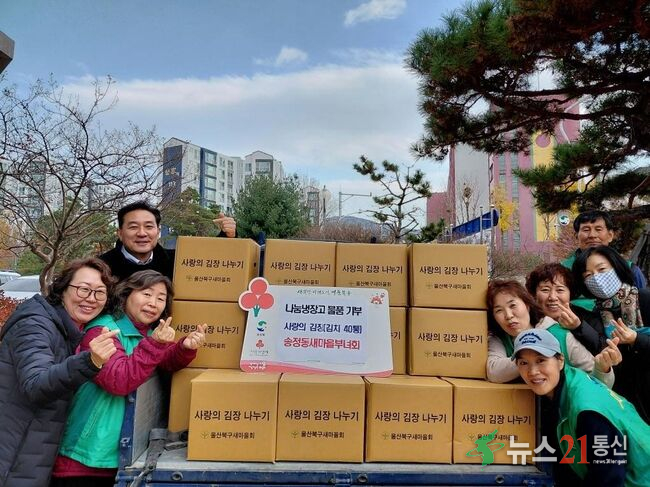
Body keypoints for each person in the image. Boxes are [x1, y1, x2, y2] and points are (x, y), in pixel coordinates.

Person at [51, 270, 206, 486]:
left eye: (161, 298)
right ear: (126, 294)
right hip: (87, 456)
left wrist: (184, 348)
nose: (153, 303)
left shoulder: (147, 333)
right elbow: (119, 380)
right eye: (146, 294)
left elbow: (163, 362)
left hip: (120, 457)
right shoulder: (104, 330)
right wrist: (156, 345)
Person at [0, 258, 119, 487]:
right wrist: (90, 361)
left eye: (100, 293)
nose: (91, 299)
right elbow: (36, 384)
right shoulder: (35, 324)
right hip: (13, 455)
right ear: (62, 289)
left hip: (31, 451)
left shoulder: (68, 329)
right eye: (83, 289)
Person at [513, 328, 650, 487]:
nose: (533, 372)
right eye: (524, 363)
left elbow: (609, 477)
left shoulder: (587, 410)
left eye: (541, 360)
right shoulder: (568, 380)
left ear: (560, 360)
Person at [486, 280, 618, 386]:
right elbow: (494, 372)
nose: (508, 315)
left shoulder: (560, 335)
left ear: (527, 305)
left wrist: (603, 369)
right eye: (499, 310)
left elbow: (600, 380)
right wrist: (530, 356)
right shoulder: (498, 339)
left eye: (513, 305)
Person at [573, 245, 650, 423]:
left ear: (616, 267)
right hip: (627, 404)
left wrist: (636, 339)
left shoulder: (645, 299)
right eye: (588, 275)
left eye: (601, 269)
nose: (596, 278)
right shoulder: (596, 315)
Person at [100, 200, 236, 281]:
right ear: (120, 233)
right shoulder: (101, 267)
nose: (142, 233)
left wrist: (227, 236)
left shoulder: (177, 262)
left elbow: (210, 264)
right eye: (133, 227)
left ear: (158, 231)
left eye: (149, 226)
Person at [561, 210, 646, 308]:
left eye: (598, 229)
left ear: (610, 235)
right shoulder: (562, 270)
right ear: (576, 236)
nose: (592, 235)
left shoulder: (630, 269)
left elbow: (642, 304)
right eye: (586, 230)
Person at [526, 262, 607, 354]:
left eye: (560, 290)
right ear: (534, 294)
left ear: (570, 293)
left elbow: (604, 349)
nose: (552, 297)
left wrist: (579, 327)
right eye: (545, 290)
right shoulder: (527, 319)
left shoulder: (588, 318)